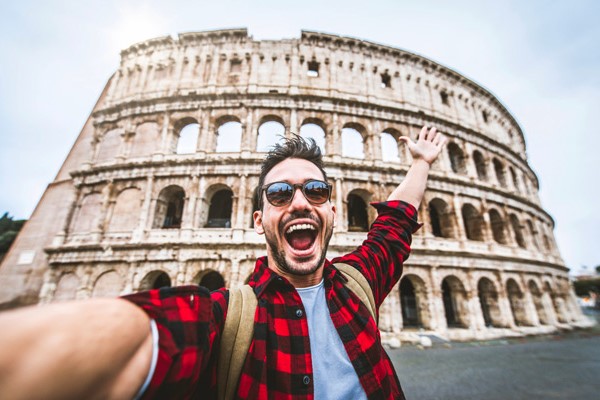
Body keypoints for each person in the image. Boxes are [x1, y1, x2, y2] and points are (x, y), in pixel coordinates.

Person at [0, 126, 445, 400]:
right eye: (278, 193)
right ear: (258, 219)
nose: (299, 201)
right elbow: (141, 339)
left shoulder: (359, 282)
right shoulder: (225, 317)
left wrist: (422, 164)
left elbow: (396, 223)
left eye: (315, 190)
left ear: (331, 211)